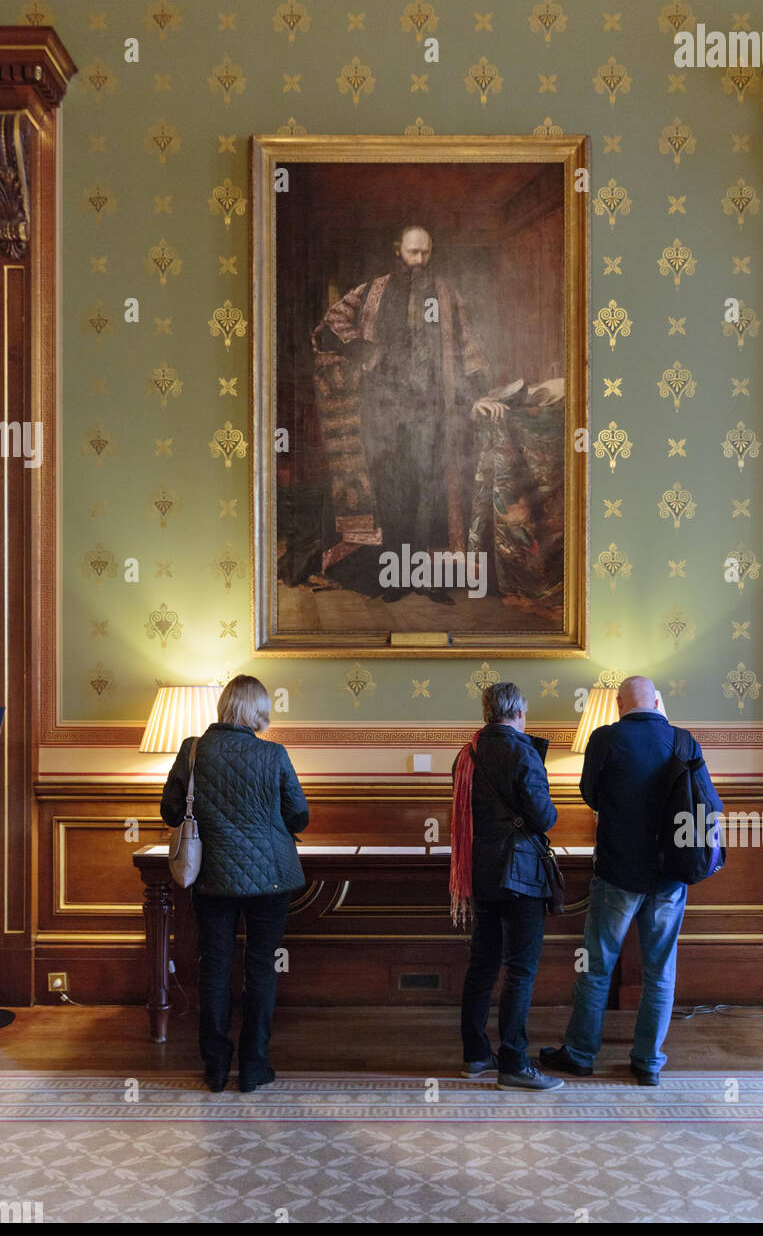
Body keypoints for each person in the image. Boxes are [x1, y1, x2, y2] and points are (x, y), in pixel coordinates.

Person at [540, 674, 722, 1086]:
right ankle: (648, 1063)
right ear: (658, 701)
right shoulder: (683, 740)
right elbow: (709, 801)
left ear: (620, 704)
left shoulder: (605, 738)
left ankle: (582, 1054)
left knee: (596, 967)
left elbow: (590, 794)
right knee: (660, 971)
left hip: (618, 873)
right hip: (669, 877)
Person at [308, 225, 505, 600]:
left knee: (429, 492)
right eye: (413, 252)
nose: (419, 261)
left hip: (432, 410)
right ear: (398, 250)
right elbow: (331, 322)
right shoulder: (372, 291)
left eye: (425, 253)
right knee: (393, 491)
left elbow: (468, 347)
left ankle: (428, 577)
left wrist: (478, 395)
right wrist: (363, 349)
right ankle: (396, 576)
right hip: (382, 409)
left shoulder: (447, 295)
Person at [160, 675, 309, 1094]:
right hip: (271, 879)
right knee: (262, 970)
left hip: (212, 878)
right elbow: (300, 816)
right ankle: (254, 1067)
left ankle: (214, 1068)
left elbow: (171, 812)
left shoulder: (192, 751)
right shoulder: (274, 754)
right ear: (257, 711)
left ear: (225, 707)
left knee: (216, 968)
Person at [451, 681, 564, 1090]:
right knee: (520, 969)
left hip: (480, 871)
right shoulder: (524, 752)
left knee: (482, 965)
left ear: (487, 711)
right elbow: (543, 817)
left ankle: (476, 1054)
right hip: (522, 875)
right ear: (519, 711)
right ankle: (514, 1063)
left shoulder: (468, 755)